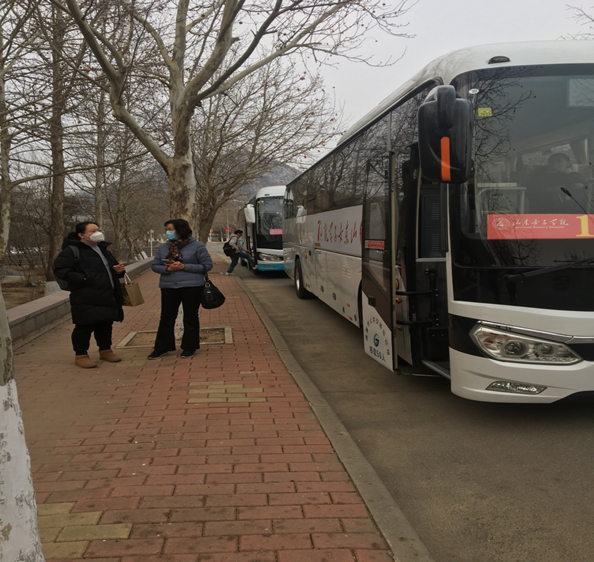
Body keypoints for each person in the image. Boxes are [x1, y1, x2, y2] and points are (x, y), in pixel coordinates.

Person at [53, 222, 126, 369]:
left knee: (105, 324)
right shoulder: (72, 251)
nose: (97, 233)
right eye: (92, 231)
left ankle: (105, 350)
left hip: (107, 294)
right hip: (85, 295)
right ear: (81, 235)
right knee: (84, 326)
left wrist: (119, 271)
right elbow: (61, 270)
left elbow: (111, 268)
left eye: (98, 230)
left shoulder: (103, 249)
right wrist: (84, 279)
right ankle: (81, 355)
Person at [148, 219, 213, 360]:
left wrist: (184, 267)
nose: (168, 232)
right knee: (166, 317)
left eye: (170, 229)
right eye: (166, 229)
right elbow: (155, 266)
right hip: (169, 286)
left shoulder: (197, 246)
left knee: (190, 317)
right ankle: (162, 347)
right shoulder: (163, 247)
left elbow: (207, 266)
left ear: (180, 230)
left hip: (192, 287)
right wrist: (168, 269)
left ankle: (189, 347)